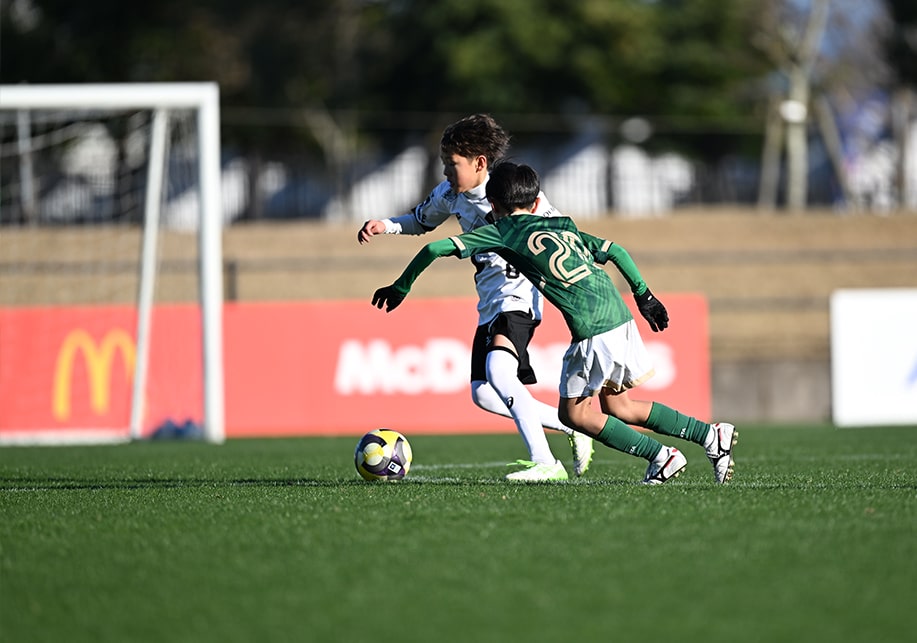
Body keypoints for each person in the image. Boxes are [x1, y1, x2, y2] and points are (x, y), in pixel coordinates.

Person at [372, 161, 737, 485]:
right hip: (619, 313)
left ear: (494, 207)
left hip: (591, 328)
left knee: (574, 414)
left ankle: (662, 456)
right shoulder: (561, 222)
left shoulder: (501, 231)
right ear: (534, 203)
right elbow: (614, 251)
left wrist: (401, 286)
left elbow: (434, 248)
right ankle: (709, 436)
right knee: (620, 407)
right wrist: (645, 296)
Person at [358, 114, 593, 482]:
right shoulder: (451, 195)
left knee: (500, 373)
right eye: (444, 164)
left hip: (518, 296)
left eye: (453, 165)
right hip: (490, 303)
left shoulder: (515, 193)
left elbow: (559, 231)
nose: (447, 172)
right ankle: (573, 427)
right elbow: (420, 222)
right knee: (483, 393)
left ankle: (546, 462)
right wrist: (385, 225)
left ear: (480, 163)